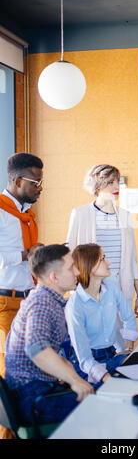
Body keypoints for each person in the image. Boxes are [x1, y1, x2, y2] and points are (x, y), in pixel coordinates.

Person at [4, 244, 94, 428]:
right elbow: (37, 349)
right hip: (33, 398)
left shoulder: (48, 300)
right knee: (107, 403)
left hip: (35, 390)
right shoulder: (41, 304)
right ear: (54, 277)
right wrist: (75, 381)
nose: (77, 272)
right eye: (71, 267)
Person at [66, 164, 138, 351]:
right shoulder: (80, 214)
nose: (117, 187)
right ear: (98, 186)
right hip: (90, 286)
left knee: (123, 342)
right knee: (94, 341)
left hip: (120, 284)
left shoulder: (125, 216)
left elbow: (133, 259)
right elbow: (70, 254)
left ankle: (120, 371)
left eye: (118, 182)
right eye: (110, 182)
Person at [65, 243, 138, 387]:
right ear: (89, 265)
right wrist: (109, 380)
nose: (109, 262)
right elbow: (85, 359)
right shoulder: (74, 306)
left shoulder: (110, 286)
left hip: (112, 354)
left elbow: (129, 317)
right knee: (117, 390)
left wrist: (128, 349)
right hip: (89, 366)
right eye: (103, 259)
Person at [0, 152, 43, 379]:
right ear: (18, 182)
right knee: (7, 366)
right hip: (5, 303)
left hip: (28, 298)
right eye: (36, 182)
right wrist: (26, 254)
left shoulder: (26, 214)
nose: (40, 188)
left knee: (30, 363)